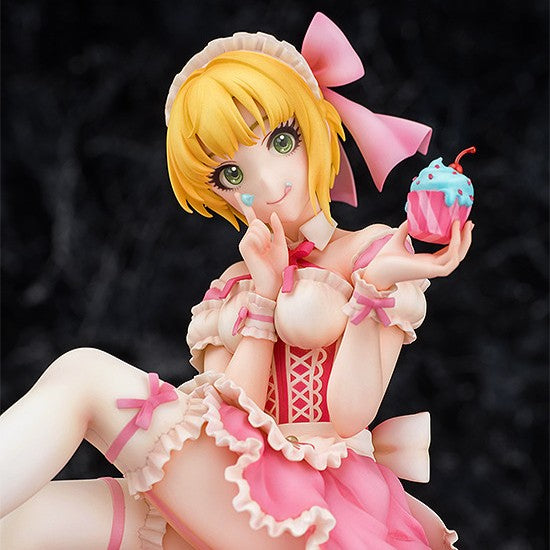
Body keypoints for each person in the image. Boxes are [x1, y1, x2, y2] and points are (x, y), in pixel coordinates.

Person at [0, 12, 471, 550]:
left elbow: (348, 416)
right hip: (230, 486)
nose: (267, 184)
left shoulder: (372, 254)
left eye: (282, 141)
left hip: (314, 502)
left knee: (83, 373)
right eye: (231, 173)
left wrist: (373, 287)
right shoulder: (234, 285)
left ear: (316, 127)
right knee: (21, 522)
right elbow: (232, 416)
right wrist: (264, 293)